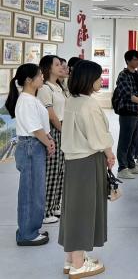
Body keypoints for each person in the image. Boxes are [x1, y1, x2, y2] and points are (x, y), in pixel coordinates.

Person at [59, 60, 115, 278]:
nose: (101, 80)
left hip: (73, 160)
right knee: (84, 210)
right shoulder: (89, 104)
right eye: (98, 77)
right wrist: (109, 154)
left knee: (73, 209)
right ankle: (79, 264)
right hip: (88, 161)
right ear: (89, 79)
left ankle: (71, 258)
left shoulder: (72, 100)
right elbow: (98, 136)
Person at [5, 63, 55, 246]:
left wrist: (48, 139)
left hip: (34, 145)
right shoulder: (26, 100)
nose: (43, 77)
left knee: (35, 190)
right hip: (31, 147)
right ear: (28, 80)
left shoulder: (31, 98)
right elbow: (35, 129)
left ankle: (30, 229)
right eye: (39, 75)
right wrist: (48, 142)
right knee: (31, 192)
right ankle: (27, 234)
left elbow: (40, 125)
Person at [37, 55, 67, 224]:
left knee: (60, 170)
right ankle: (46, 210)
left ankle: (55, 205)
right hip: (54, 130)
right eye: (57, 65)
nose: (61, 67)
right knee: (51, 172)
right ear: (48, 68)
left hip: (62, 129)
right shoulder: (45, 88)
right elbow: (51, 114)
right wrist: (63, 130)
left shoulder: (58, 87)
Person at [115, 50, 138, 179]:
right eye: (135, 59)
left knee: (134, 140)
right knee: (125, 140)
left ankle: (131, 164)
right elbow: (128, 94)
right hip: (127, 111)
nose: (137, 62)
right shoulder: (123, 75)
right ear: (128, 61)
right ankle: (122, 168)